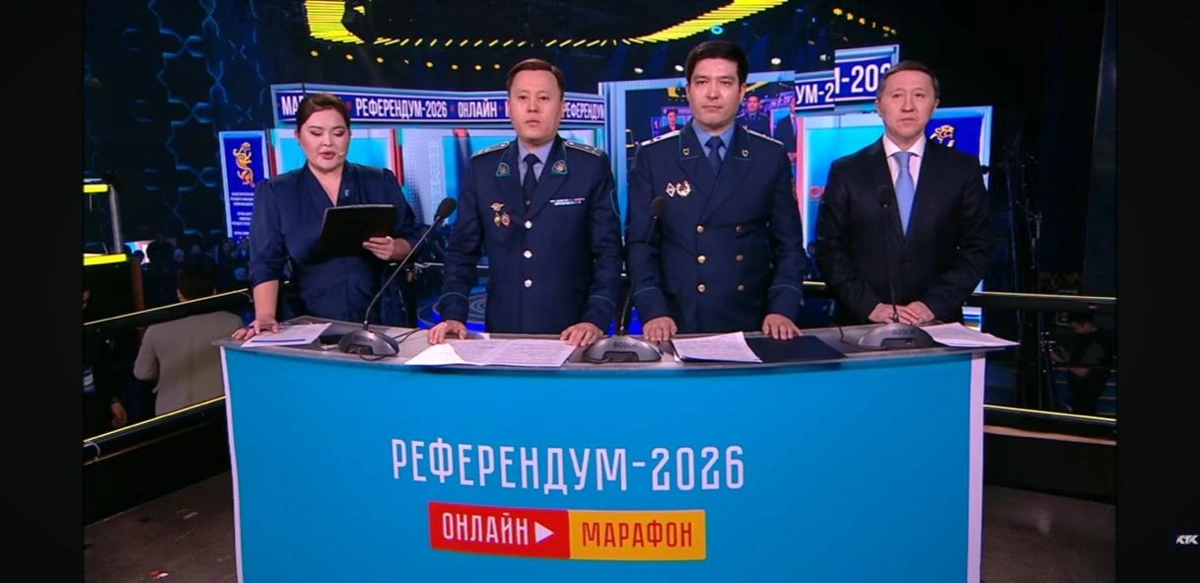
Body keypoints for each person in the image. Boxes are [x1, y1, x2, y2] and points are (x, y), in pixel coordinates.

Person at [429, 58, 623, 347]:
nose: (532, 107)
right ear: (509, 107)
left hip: (573, 335)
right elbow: (461, 253)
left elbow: (608, 253)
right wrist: (453, 314)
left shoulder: (590, 166)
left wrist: (594, 320)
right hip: (503, 333)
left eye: (543, 98)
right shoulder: (483, 168)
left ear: (562, 107)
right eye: (522, 98)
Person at [626, 40, 807, 342]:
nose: (712, 93)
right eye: (702, 82)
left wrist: (782, 309)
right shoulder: (654, 157)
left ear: (742, 91)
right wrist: (653, 310)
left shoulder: (769, 156)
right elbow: (640, 244)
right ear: (688, 91)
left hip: (752, 318)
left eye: (725, 82)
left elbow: (788, 245)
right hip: (676, 320)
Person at [815, 60, 992, 326]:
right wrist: (870, 306)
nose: (908, 106)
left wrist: (933, 305)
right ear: (879, 106)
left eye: (919, 95)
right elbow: (829, 249)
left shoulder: (962, 169)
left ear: (934, 105)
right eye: (897, 95)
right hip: (861, 326)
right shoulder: (847, 171)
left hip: (937, 325)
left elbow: (979, 247)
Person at [234, 93, 422, 340]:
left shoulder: (379, 181)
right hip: (306, 322)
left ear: (349, 135)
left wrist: (395, 248)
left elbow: (413, 237)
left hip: (381, 321)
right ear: (298, 136)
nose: (328, 143)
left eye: (338, 133)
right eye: (316, 133)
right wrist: (266, 316)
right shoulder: (277, 192)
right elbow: (265, 262)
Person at [134, 264, 245, 416]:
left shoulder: (156, 328)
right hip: (218, 406)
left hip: (170, 408)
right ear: (214, 292)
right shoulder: (233, 323)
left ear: (179, 293)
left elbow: (142, 372)